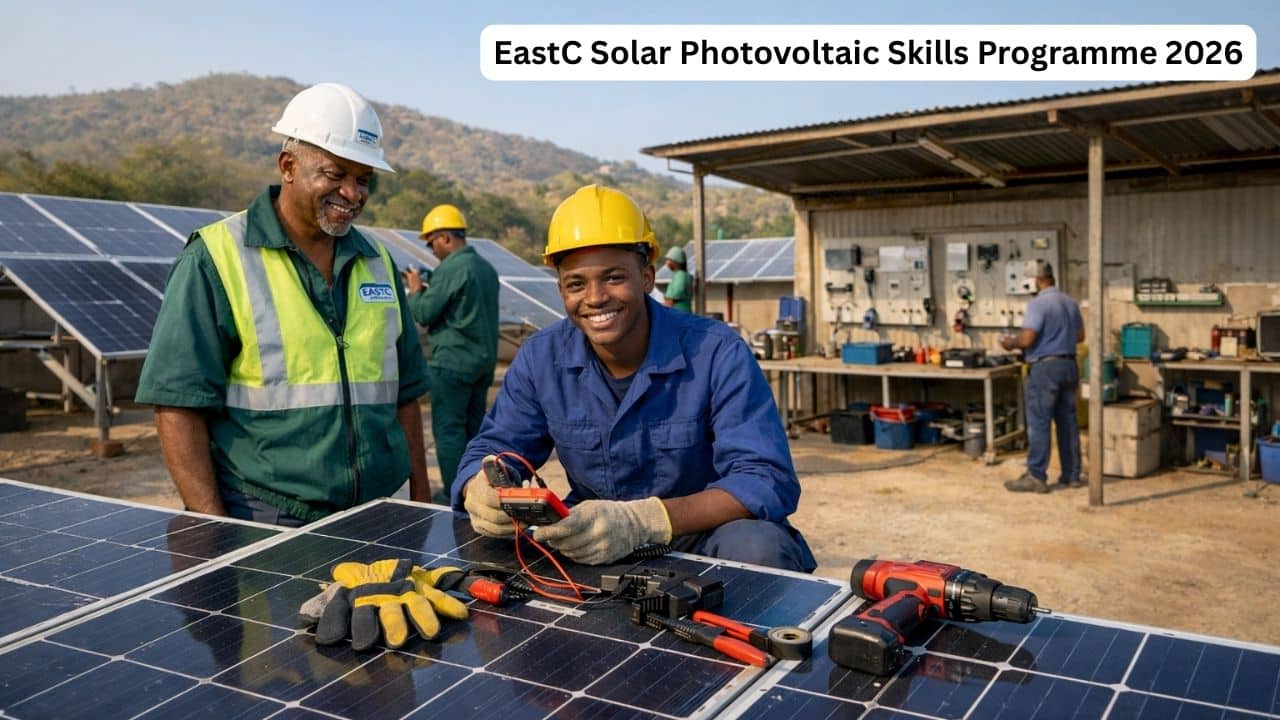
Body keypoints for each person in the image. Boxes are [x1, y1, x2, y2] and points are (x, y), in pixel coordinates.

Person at [453, 185, 815, 572]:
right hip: (593, 536)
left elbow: (764, 478)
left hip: (702, 535)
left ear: (646, 277)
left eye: (613, 278)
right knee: (493, 558)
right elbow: (496, 446)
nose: (595, 297)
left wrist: (647, 521)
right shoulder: (541, 359)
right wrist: (480, 486)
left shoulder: (716, 352)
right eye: (576, 284)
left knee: (759, 546)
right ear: (560, 289)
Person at [135, 83, 431, 526]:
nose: (353, 193)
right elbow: (178, 408)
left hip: (380, 510)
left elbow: (405, 398)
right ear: (288, 166)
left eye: (363, 179)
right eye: (335, 174)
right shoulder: (215, 258)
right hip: (270, 515)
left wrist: (421, 508)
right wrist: (215, 531)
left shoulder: (378, 262)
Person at [401, 205, 500, 504]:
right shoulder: (485, 268)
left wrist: (416, 289)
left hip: (452, 364)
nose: (431, 250)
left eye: (431, 243)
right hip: (482, 363)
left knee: (448, 431)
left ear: (444, 237)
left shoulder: (453, 268)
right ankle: (478, 490)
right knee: (473, 429)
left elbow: (424, 312)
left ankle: (454, 494)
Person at [1000, 261, 1085, 493]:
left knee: (1039, 422)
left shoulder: (1038, 304)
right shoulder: (1070, 302)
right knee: (1067, 422)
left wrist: (1010, 342)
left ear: (1037, 281)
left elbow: (1027, 339)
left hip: (1045, 368)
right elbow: (1079, 335)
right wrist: (1058, 338)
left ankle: (1036, 475)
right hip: (1068, 365)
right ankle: (1072, 475)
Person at [662, 245, 693, 313]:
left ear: (676, 260)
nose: (667, 263)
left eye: (669, 260)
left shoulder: (681, 275)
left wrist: (668, 302)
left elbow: (677, 292)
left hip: (680, 314)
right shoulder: (679, 275)